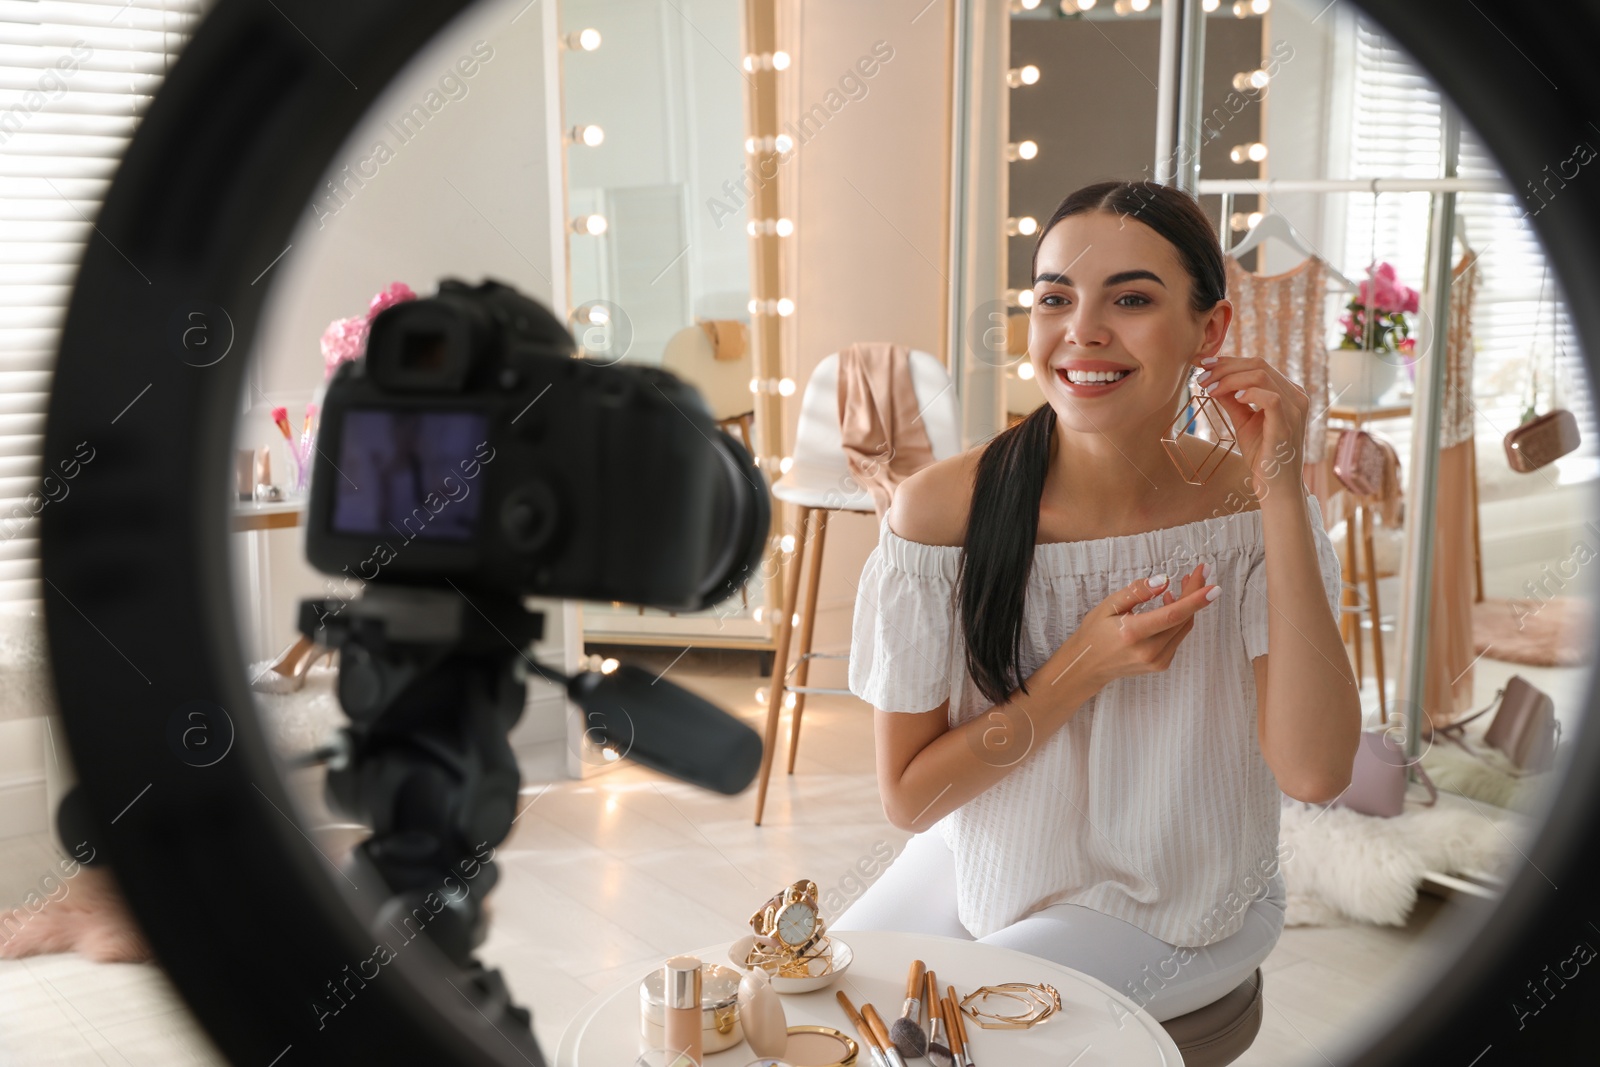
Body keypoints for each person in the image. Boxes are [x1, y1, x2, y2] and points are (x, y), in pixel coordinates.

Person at [832, 180, 1361, 1023]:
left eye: (1133, 298)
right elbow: (912, 799)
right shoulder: (940, 513)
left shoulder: (1249, 512)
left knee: (927, 1031)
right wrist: (1082, 667)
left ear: (1210, 329)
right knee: (815, 1007)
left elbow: (1315, 769)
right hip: (992, 863)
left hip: (1187, 901)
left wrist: (1282, 490)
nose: (1083, 330)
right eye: (1055, 297)